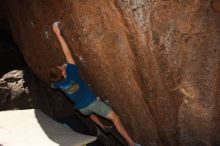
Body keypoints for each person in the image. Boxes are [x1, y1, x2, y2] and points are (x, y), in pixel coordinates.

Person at [49, 21, 141, 146]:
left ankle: (101, 126)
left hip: (82, 109)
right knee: (116, 119)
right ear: (63, 72)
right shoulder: (71, 72)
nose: (61, 65)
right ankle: (131, 143)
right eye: (60, 67)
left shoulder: (58, 84)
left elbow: (52, 84)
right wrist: (58, 35)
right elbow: (67, 53)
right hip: (92, 102)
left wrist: (61, 72)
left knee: (90, 113)